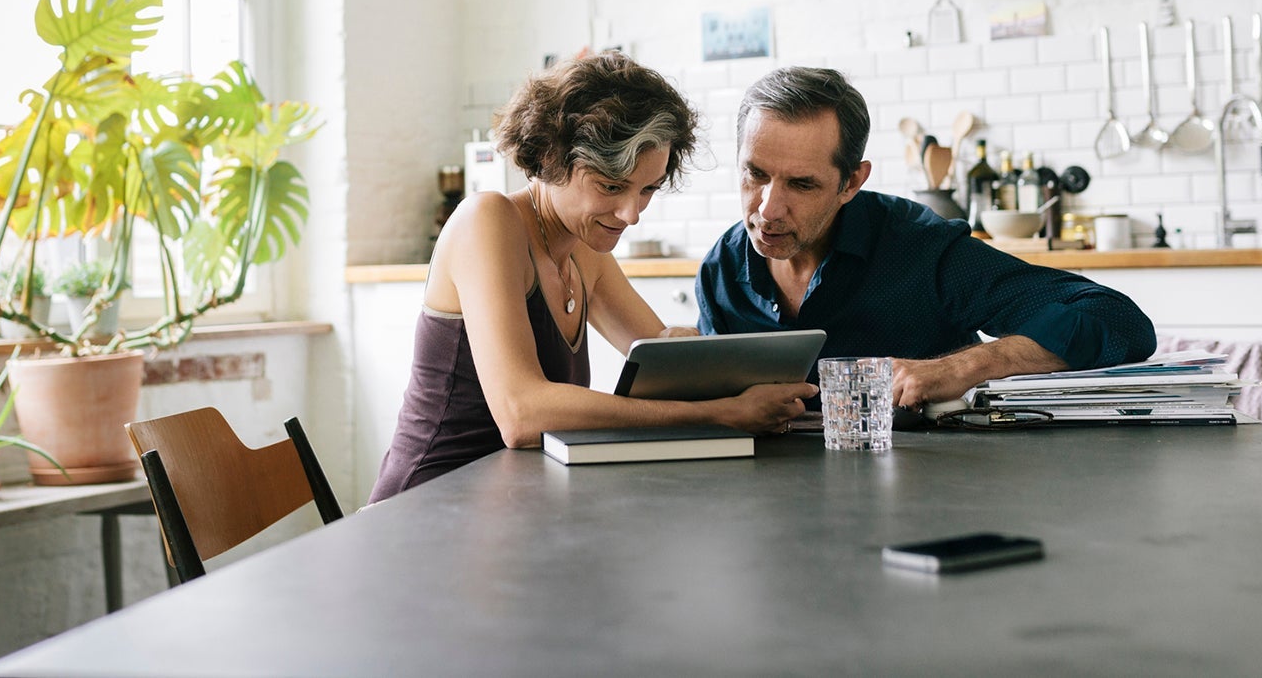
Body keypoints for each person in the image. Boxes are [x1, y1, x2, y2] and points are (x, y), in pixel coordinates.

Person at [370, 52, 814, 502]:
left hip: (510, 504)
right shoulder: (487, 220)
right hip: (426, 505)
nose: (631, 214)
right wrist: (718, 413)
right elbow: (522, 415)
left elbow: (662, 360)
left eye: (647, 190)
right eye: (610, 186)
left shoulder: (585, 250)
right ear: (550, 157)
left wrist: (688, 354)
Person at [697, 66, 1156, 410]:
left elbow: (1120, 321)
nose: (767, 209)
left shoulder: (921, 251)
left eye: (802, 184)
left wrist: (962, 367)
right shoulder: (721, 270)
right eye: (755, 174)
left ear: (851, 184)